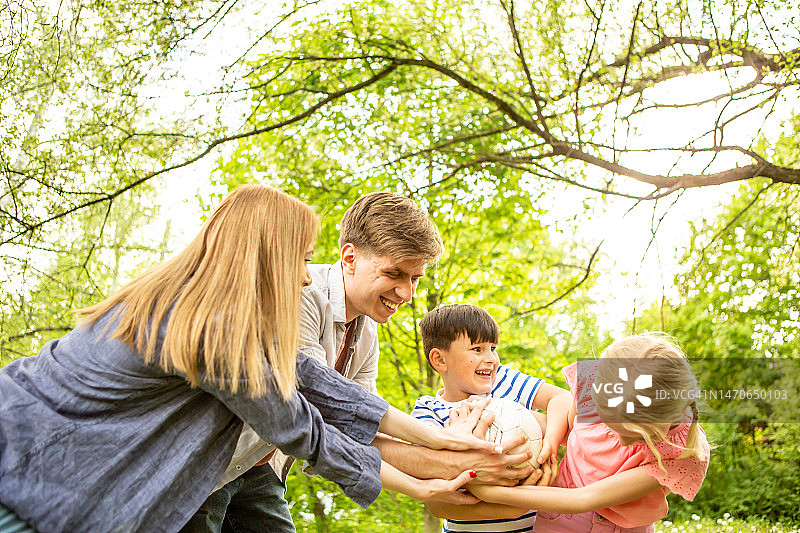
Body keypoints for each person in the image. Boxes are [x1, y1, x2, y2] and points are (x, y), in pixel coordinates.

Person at [0, 185, 497, 532]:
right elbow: (302, 425)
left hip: (70, 477)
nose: (306, 276)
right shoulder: (213, 329)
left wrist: (436, 438)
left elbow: (313, 383)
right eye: (300, 258)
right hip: (25, 472)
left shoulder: (214, 316)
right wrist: (422, 486)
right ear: (265, 255)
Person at [186, 192, 533, 532]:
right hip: (208, 463)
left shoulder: (366, 335)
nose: (406, 294)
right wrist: (451, 458)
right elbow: (319, 408)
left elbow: (365, 430)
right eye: (395, 274)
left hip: (260, 468)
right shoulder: (302, 294)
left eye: (414, 279)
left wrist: (447, 445)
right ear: (349, 258)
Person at [468, 334, 711, 533]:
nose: (621, 441)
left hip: (619, 527)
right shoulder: (601, 387)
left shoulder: (681, 452)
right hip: (557, 518)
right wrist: (551, 443)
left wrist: (488, 492)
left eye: (631, 436)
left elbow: (583, 499)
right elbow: (572, 430)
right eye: (611, 425)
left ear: (659, 423)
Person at [410, 304, 573, 533]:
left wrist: (550, 445)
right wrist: (512, 507)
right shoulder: (429, 411)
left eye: (493, 348)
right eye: (477, 349)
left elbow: (562, 399)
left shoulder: (502, 381)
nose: (491, 359)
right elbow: (436, 504)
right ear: (440, 360)